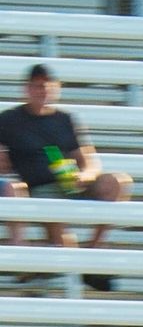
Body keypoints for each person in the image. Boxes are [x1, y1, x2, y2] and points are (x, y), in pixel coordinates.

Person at [0, 65, 132, 288]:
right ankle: (84, 269)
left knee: (117, 182)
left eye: (47, 86)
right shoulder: (10, 120)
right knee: (60, 234)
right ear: (27, 89)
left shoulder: (65, 119)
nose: (42, 91)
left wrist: (85, 176)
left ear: (57, 89)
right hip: (39, 186)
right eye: (37, 86)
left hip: (70, 181)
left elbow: (88, 159)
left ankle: (93, 247)